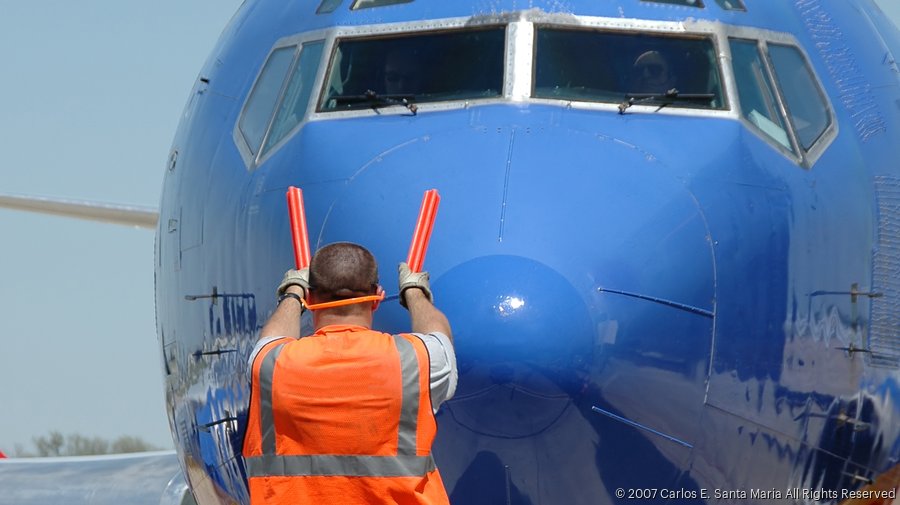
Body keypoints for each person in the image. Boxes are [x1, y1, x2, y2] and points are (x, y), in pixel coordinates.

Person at [242, 242, 456, 505]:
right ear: (377, 298)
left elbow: (271, 339)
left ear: (310, 299)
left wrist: (293, 293)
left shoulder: (270, 366)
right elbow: (439, 336)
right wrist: (414, 291)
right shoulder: (416, 361)